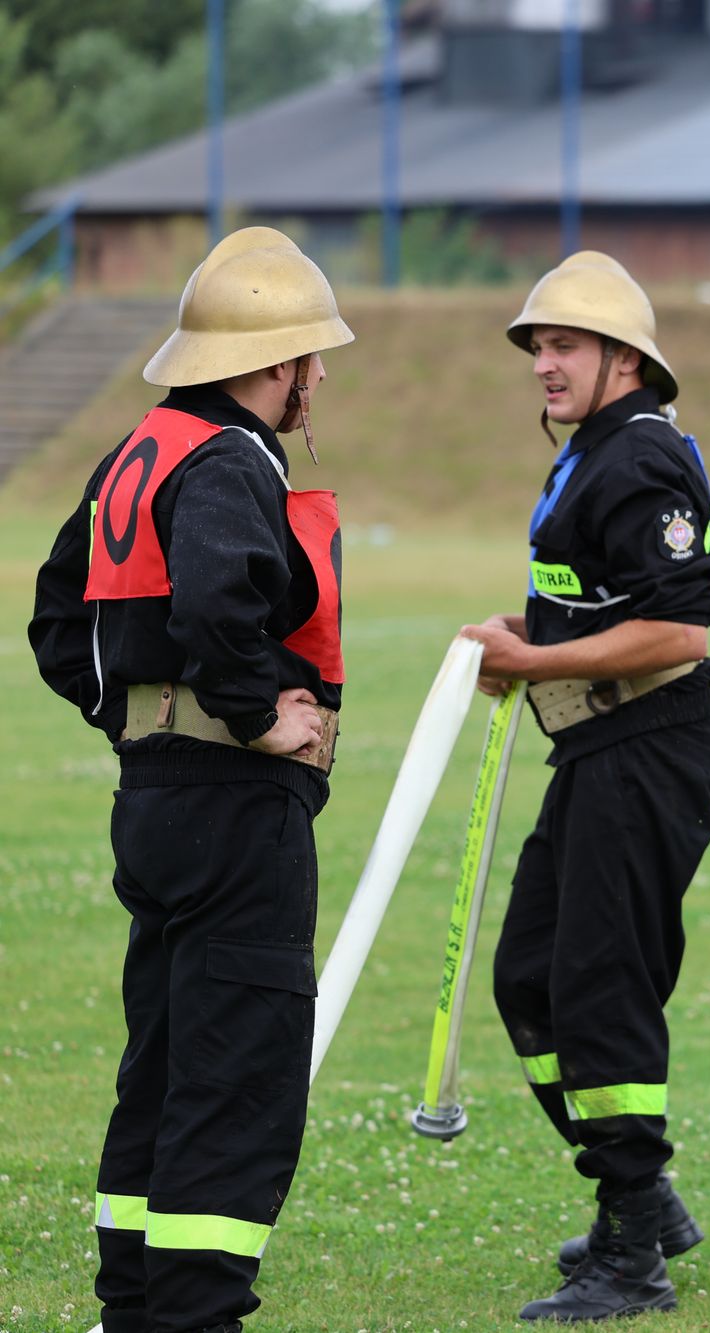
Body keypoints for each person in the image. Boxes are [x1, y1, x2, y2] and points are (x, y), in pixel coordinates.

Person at [28, 226, 352, 1333]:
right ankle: (196, 1316)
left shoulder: (142, 448)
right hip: (228, 808)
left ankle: (135, 1309)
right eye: (313, 359)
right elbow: (220, 598)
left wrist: (140, 724)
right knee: (236, 1077)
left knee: (162, 1069)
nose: (317, 382)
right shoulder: (226, 461)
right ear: (276, 363)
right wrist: (257, 720)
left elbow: (56, 618)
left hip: (155, 800)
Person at [460, 251, 710, 1322]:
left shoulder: (644, 459)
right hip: (590, 752)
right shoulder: (588, 455)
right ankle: (639, 1191)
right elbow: (596, 609)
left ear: (625, 358)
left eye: (564, 344)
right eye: (536, 347)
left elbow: (680, 625)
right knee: (529, 979)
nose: (543, 364)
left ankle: (630, 1252)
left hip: (649, 748)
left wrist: (530, 662)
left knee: (601, 987)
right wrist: (529, 633)